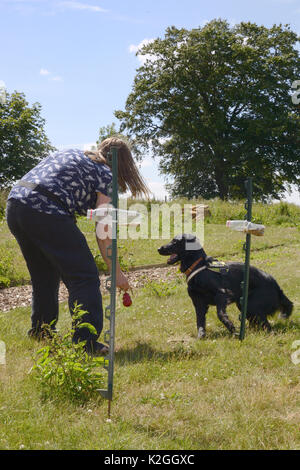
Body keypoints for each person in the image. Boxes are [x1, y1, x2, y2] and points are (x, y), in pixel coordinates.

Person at [6, 137, 149, 355]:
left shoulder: (73, 154)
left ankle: (41, 332)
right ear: (123, 163)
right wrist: (117, 273)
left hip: (16, 205)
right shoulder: (106, 174)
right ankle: (86, 342)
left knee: (44, 275)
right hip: (46, 209)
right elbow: (104, 231)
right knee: (85, 276)